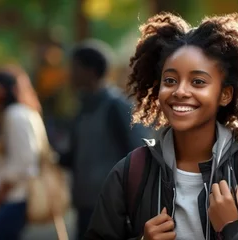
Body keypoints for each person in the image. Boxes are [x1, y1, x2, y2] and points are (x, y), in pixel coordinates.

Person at [85, 13, 238, 240]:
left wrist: (234, 229)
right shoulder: (131, 171)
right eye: (170, 80)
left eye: (198, 82)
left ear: (225, 94)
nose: (180, 91)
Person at [58, 40, 151, 240]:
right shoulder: (82, 107)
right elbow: (73, 156)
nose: (70, 74)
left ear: (90, 71)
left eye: (75, 67)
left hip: (110, 206)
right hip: (85, 202)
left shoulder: (116, 107)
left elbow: (137, 152)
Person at [0, 66, 43, 240]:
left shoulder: (15, 115)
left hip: (15, 198)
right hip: (14, 198)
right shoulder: (19, 113)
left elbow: (23, 164)